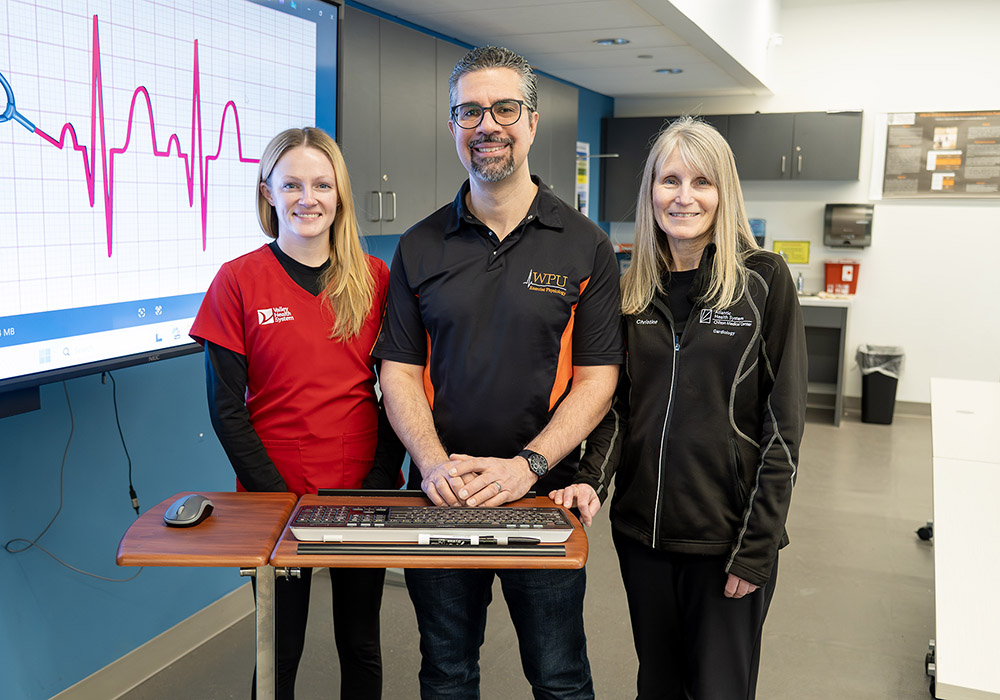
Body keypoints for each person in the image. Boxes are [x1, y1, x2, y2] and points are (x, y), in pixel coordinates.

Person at [373, 46, 624, 699]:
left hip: (542, 496)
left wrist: (528, 467)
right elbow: (397, 372)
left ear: (532, 121)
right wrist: (432, 466)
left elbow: (598, 378)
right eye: (469, 111)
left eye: (504, 107)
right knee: (447, 672)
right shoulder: (420, 246)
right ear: (454, 125)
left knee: (560, 675)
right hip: (442, 495)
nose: (488, 124)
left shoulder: (584, 244)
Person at [552, 116, 808, 699]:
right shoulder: (632, 288)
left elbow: (783, 430)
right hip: (644, 539)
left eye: (702, 182)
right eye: (669, 181)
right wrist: (592, 480)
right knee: (658, 687)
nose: (684, 197)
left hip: (726, 542)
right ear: (650, 193)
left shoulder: (764, 281)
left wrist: (757, 550)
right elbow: (618, 406)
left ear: (725, 192)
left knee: (719, 690)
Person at [189, 127, 403, 699]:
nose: (307, 198)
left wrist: (381, 478)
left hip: (360, 490)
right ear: (268, 191)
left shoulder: (375, 280)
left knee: (361, 644)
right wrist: (275, 496)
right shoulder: (237, 282)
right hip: (274, 494)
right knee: (278, 648)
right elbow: (225, 409)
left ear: (340, 194)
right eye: (291, 184)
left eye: (321, 184)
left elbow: (399, 392)